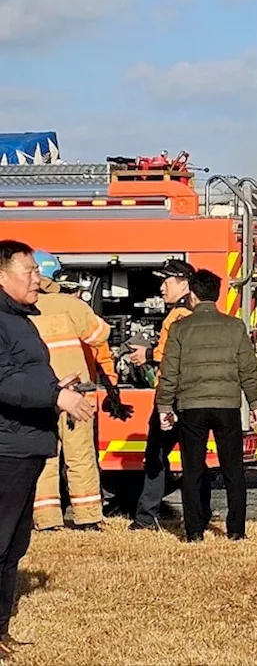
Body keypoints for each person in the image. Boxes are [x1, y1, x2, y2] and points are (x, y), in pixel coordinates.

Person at [0, 240, 96, 657]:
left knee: (14, 546)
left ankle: (0, 630)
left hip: (26, 443)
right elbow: (4, 380)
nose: (38, 279)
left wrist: (56, 387)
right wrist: (55, 398)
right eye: (30, 272)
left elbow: (23, 376)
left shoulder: (21, 318)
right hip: (6, 447)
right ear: (2, 276)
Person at [156, 269, 257, 541]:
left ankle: (194, 532)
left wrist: (164, 407)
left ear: (192, 295)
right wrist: (255, 403)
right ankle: (236, 531)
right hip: (227, 406)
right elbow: (248, 370)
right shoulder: (235, 326)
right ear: (216, 296)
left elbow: (170, 372)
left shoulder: (180, 328)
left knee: (192, 470)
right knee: (233, 471)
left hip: (191, 407)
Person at [29, 251, 113, 531]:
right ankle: (88, 516)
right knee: (80, 455)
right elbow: (99, 334)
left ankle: (47, 519)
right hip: (77, 393)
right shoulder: (68, 304)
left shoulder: (17, 308)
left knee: (46, 457)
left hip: (39, 393)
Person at [130, 258, 210, 532]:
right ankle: (202, 513)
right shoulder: (195, 311)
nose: (162, 288)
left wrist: (147, 354)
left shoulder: (178, 315)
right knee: (194, 457)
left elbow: (172, 352)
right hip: (194, 396)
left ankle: (145, 517)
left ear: (184, 283)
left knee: (155, 457)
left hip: (172, 396)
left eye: (167, 282)